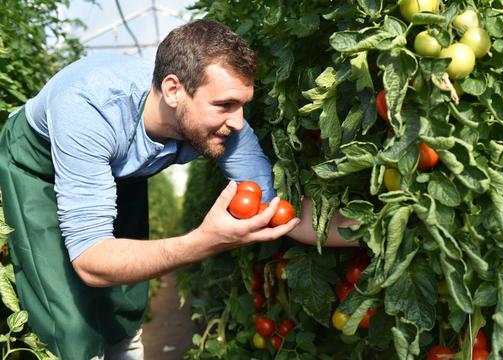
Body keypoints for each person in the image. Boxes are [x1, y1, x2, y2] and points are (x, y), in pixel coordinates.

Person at [0, 19, 355, 360]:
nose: (239, 121)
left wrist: (376, 232)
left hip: (119, 169)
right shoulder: (89, 108)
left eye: (241, 104)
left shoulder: (226, 127)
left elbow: (278, 209)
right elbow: (91, 261)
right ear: (173, 90)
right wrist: (202, 241)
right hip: (39, 167)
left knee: (124, 302)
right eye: (224, 105)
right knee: (68, 318)